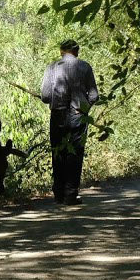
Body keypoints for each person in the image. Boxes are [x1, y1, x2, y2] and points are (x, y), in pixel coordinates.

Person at [40, 39, 100, 205]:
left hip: (57, 115)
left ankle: (58, 194)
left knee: (58, 153)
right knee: (75, 153)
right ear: (77, 52)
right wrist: (84, 108)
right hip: (78, 115)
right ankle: (71, 194)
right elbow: (94, 96)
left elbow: (45, 97)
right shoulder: (85, 67)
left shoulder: (51, 68)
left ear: (61, 51)